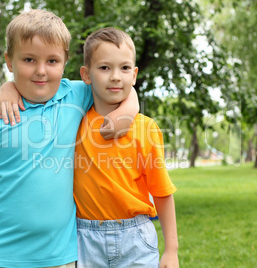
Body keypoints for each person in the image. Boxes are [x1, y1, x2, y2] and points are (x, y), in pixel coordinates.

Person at [0, 10, 138, 268]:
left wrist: (126, 113)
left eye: (52, 61)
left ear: (65, 62)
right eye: (29, 60)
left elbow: (122, 88)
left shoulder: (77, 95)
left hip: (60, 257)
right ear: (9, 62)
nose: (41, 71)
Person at [73, 27, 179, 268]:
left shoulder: (146, 128)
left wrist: (171, 250)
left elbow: (162, 191)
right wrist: (9, 88)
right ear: (86, 74)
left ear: (134, 75)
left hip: (136, 238)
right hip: (84, 238)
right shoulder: (75, 123)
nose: (115, 76)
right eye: (104, 68)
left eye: (124, 68)